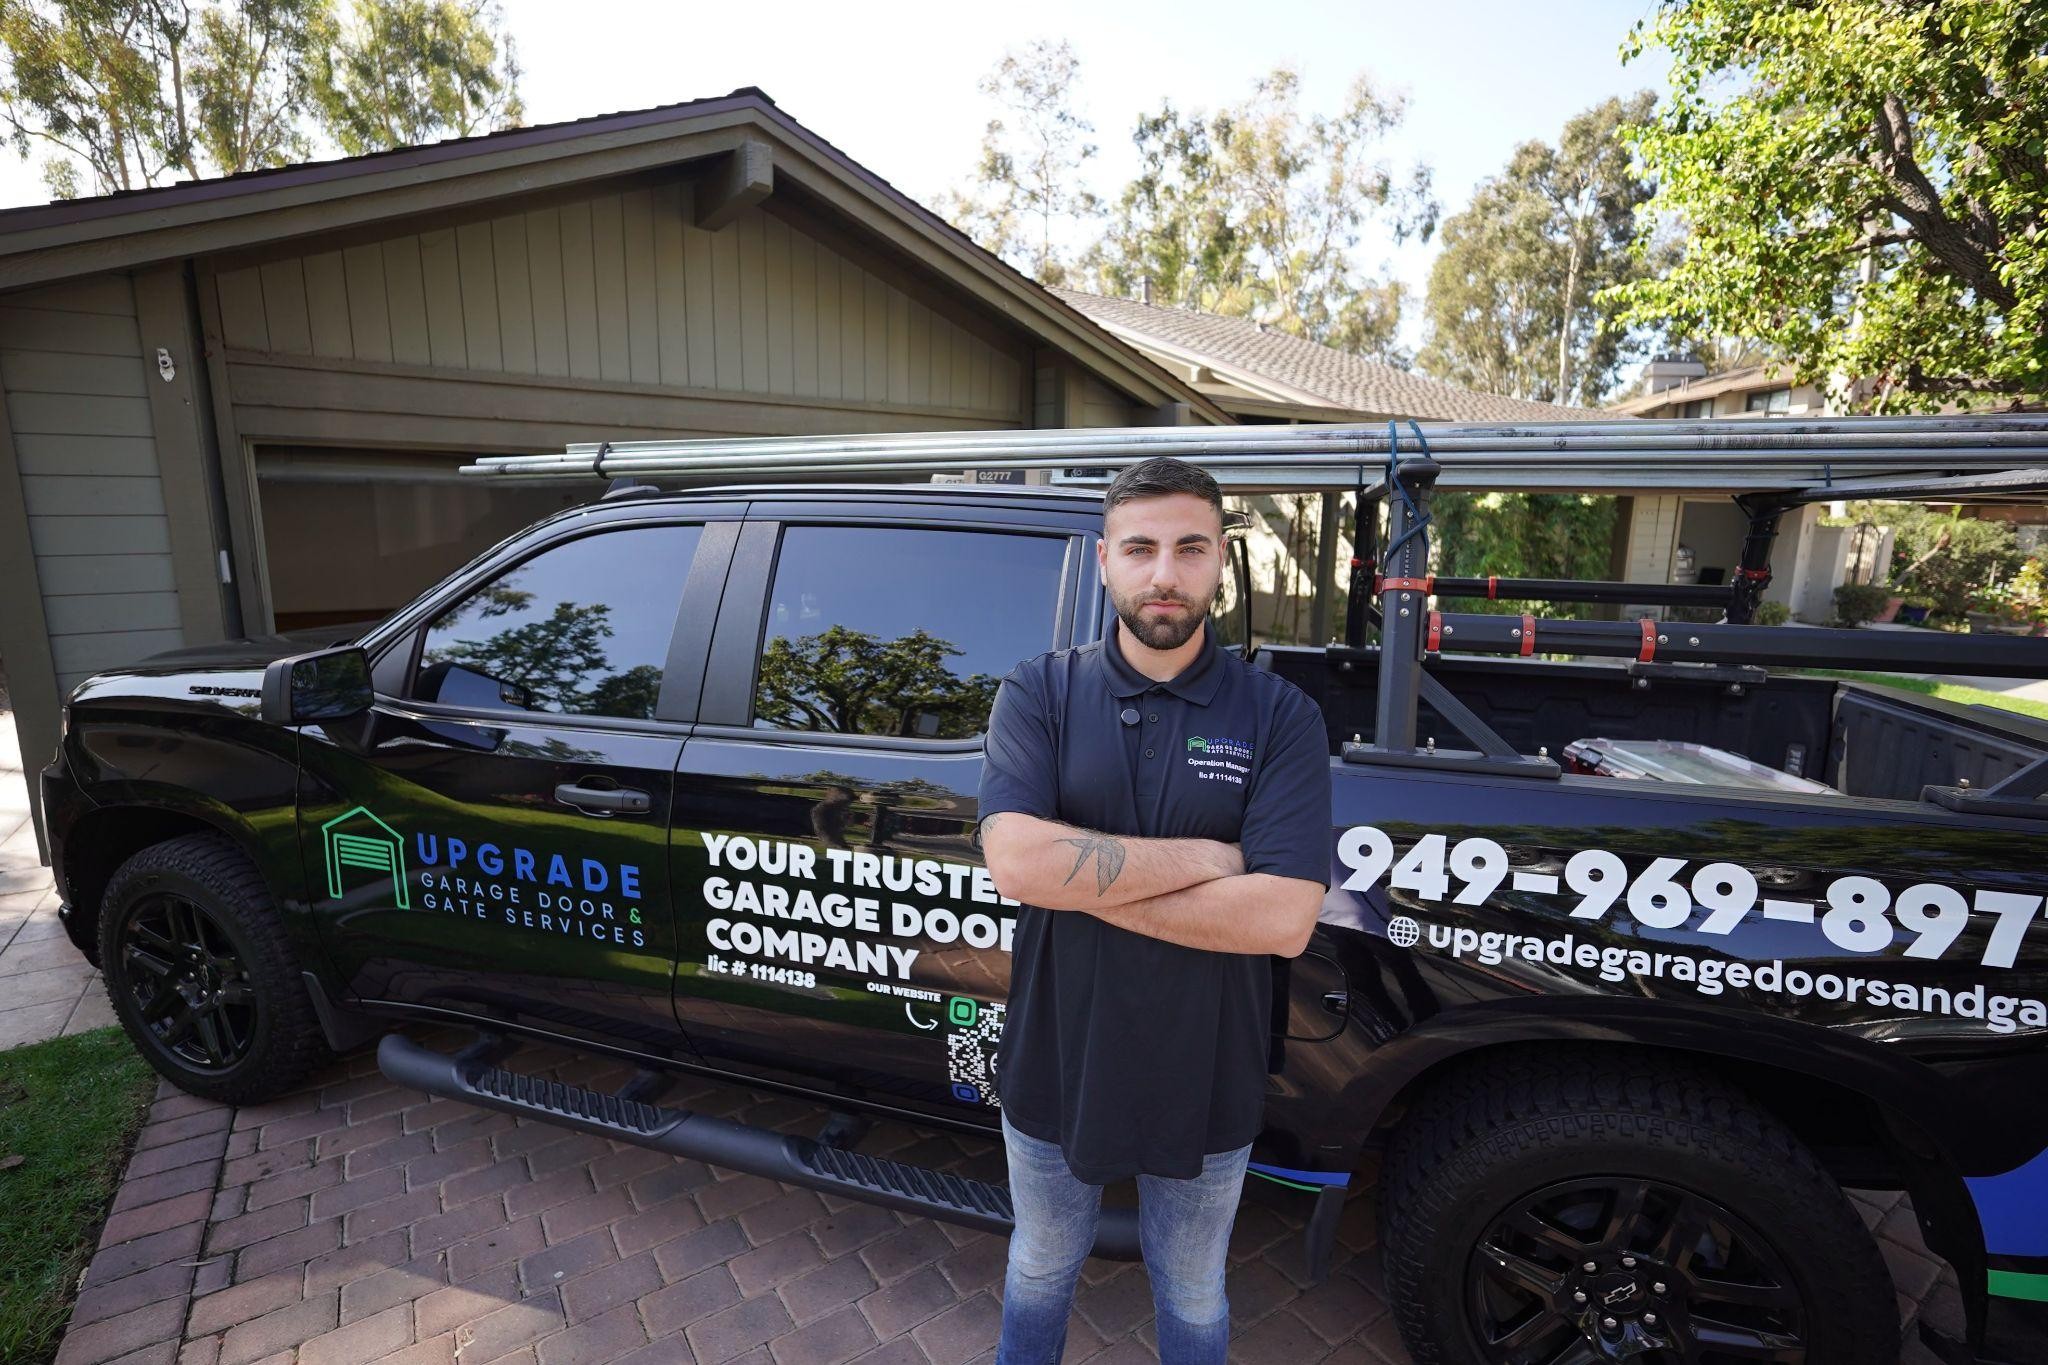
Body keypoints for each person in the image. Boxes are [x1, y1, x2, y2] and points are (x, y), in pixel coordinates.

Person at [976, 456, 1334, 1365]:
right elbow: (1015, 861)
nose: (1165, 573)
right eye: (1140, 548)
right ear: (1105, 561)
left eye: (1190, 548)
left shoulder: (1280, 714)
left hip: (1207, 1072)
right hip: (1056, 1057)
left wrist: (1079, 880)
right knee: (1040, 1263)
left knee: (1194, 1285)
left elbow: (1283, 918)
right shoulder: (1040, 690)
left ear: (1221, 560)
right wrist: (1210, 862)